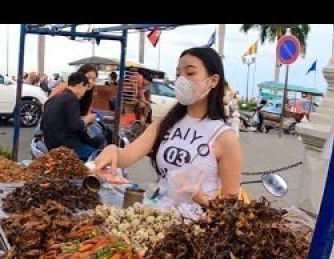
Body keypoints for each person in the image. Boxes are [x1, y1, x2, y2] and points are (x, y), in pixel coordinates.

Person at [94, 47, 243, 211]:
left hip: (195, 229)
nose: (181, 80)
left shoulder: (225, 138)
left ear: (213, 81)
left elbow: (230, 209)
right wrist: (113, 150)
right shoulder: (164, 124)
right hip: (155, 217)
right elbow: (126, 157)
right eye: (178, 74)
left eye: (190, 73)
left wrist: (201, 198)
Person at [40, 71, 99, 160]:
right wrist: (87, 119)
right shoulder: (71, 99)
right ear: (80, 85)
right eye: (85, 89)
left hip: (50, 146)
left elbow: (43, 124)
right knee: (98, 156)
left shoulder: (53, 98)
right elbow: (75, 126)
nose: (83, 94)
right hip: (66, 147)